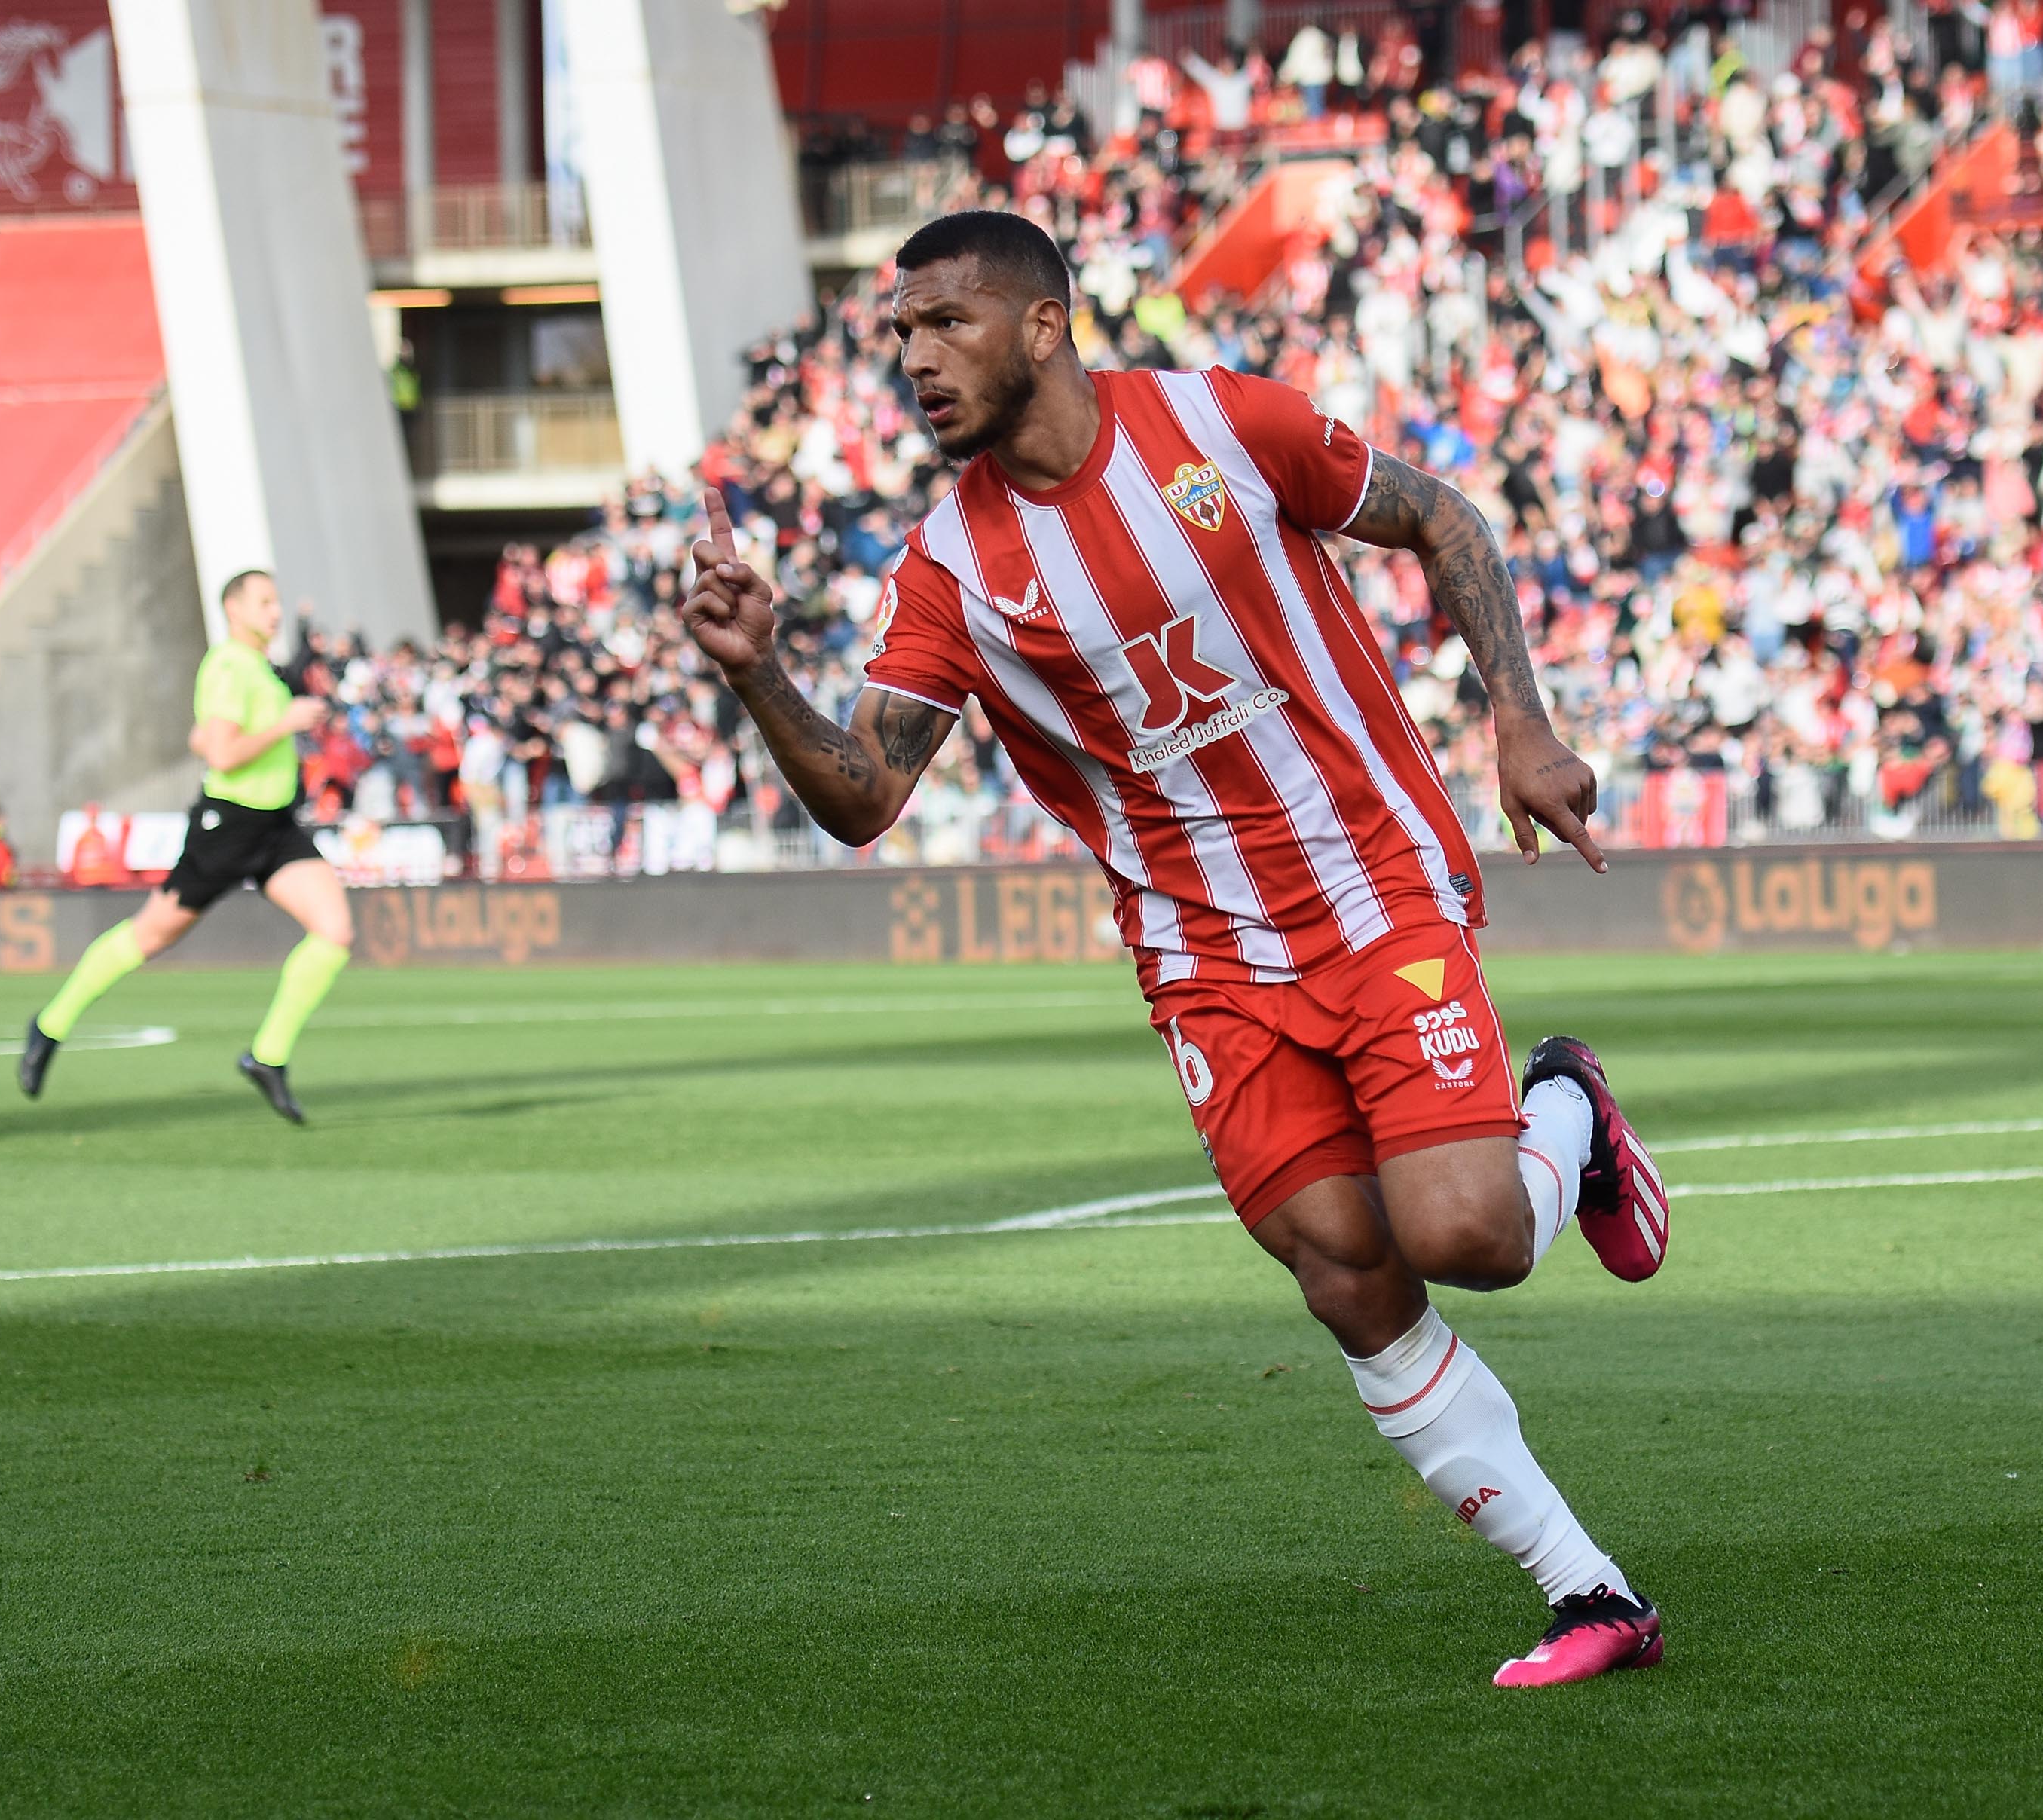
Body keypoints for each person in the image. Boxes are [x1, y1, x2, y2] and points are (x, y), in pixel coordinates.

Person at [681, 211, 1668, 1688]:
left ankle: (1569, 1107)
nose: (914, 358)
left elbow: (1444, 518)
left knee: (1467, 1235)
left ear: (1039, 325)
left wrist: (1518, 718)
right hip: (1205, 952)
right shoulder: (949, 563)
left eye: (945, 322)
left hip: (1371, 883)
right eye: (898, 333)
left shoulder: (1223, 423)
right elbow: (864, 798)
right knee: (1344, 1270)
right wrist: (759, 672)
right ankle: (1587, 1590)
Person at [18, 571, 353, 1122]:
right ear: (233, 608)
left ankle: (267, 1058)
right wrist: (286, 723)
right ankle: (50, 1024)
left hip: (275, 826)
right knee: (150, 935)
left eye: (277, 602)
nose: (275, 612)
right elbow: (222, 754)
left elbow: (205, 736)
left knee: (335, 930)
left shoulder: (259, 670)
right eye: (264, 602)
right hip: (228, 826)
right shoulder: (227, 665)